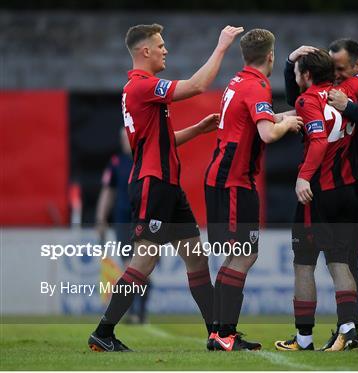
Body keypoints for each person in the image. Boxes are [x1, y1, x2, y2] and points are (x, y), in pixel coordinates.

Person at [88, 23, 244, 352]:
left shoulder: (139, 90)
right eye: (160, 45)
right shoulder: (142, 86)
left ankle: (218, 333)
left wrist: (197, 130)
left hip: (167, 187)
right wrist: (222, 46)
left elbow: (161, 142)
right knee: (145, 260)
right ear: (145, 51)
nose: (165, 50)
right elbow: (198, 86)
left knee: (196, 259)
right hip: (153, 185)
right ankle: (104, 332)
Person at [283, 41, 358, 351]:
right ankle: (349, 330)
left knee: (304, 264)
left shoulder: (309, 99)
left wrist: (303, 177)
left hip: (319, 192)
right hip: (347, 191)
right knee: (341, 261)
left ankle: (305, 339)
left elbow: (318, 140)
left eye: (295, 72)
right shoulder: (349, 88)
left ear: (305, 75)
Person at [205, 28, 303, 352]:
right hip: (235, 181)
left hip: (220, 177)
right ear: (271, 56)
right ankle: (223, 334)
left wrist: (287, 115)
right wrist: (286, 125)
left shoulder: (238, 82)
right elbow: (266, 134)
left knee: (235, 255)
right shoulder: (259, 86)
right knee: (245, 254)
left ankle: (220, 333)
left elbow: (253, 120)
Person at [96, 129, 150, 324]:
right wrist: (101, 217)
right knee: (129, 265)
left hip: (143, 218)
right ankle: (134, 311)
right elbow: (108, 191)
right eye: (123, 139)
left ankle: (140, 310)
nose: (125, 142)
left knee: (142, 266)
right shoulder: (116, 163)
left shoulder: (146, 160)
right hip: (122, 220)